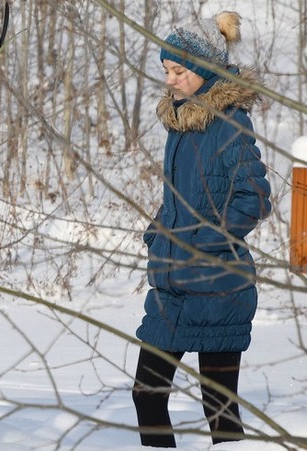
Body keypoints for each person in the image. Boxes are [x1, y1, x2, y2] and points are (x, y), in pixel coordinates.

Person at [133, 11, 271, 448]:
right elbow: (181, 199)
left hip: (217, 286)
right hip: (173, 288)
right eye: (166, 71)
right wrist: (160, 230)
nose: (170, 80)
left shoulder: (228, 125)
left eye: (179, 71)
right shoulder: (180, 123)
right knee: (146, 396)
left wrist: (204, 244)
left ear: (205, 70)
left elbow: (254, 199)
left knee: (220, 409)